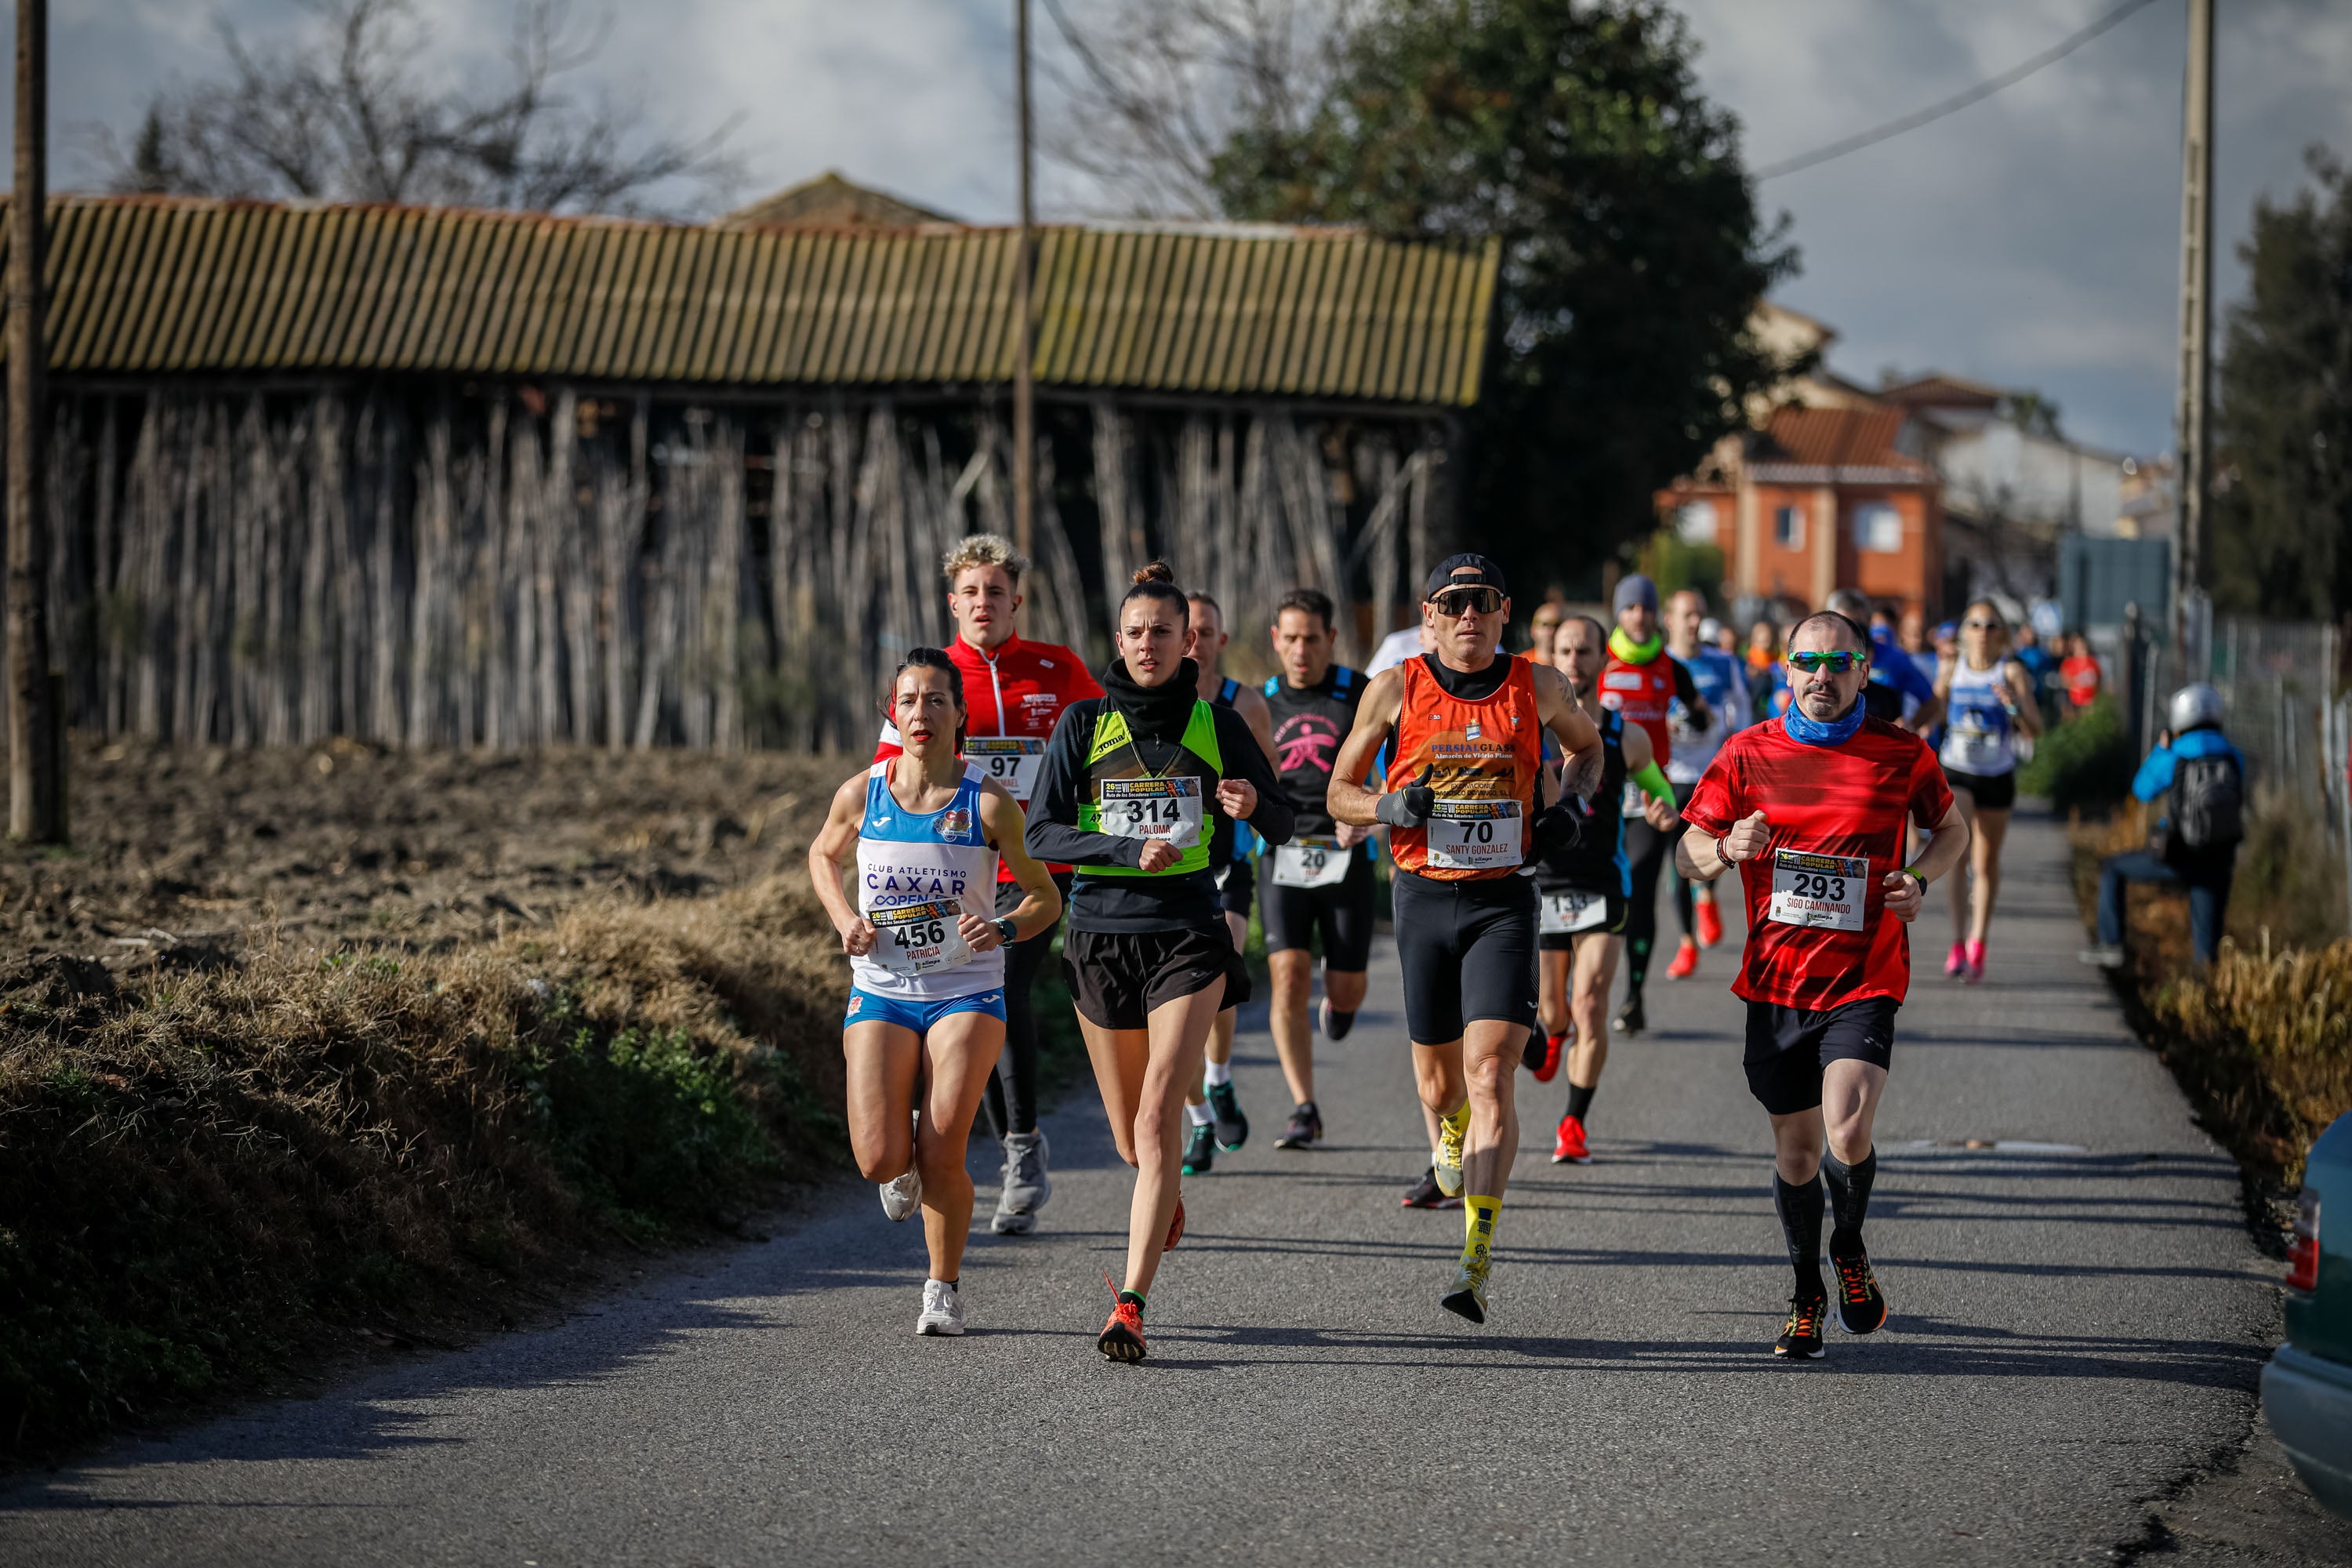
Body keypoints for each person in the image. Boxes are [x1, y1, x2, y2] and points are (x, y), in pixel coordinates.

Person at [1677, 609, 1969, 1359]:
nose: (1822, 676)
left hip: (1865, 975)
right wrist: (1722, 846)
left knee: (1847, 1124)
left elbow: (1952, 829)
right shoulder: (1747, 754)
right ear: (1785, 670)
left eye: (1839, 663)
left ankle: (1849, 1244)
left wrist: (1918, 879)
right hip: (1776, 984)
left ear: (1865, 671)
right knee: (1799, 1155)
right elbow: (1687, 853)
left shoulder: (1901, 753)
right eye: (1807, 662)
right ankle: (1808, 1290)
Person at [1025, 562, 1296, 1362]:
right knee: (1131, 1140)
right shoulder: (1082, 722)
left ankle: (1131, 1304)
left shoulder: (1217, 722)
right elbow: (1041, 832)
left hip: (1187, 930)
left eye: (1165, 632)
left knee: (1155, 1119)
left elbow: (1284, 817)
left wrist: (1253, 806)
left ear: (1191, 645)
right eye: (1137, 630)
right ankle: (1162, 1189)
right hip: (1099, 935)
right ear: (1120, 639)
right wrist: (1120, 846)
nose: (1149, 643)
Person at [1328, 554, 1603, 1323]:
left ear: (1504, 609)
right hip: (1421, 898)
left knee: (1489, 1075)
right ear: (1430, 616)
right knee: (1439, 1088)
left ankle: (1475, 1255)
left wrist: (1569, 810)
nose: (1468, 615)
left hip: (1503, 901)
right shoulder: (1395, 687)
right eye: (1453, 603)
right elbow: (1338, 793)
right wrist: (1390, 807)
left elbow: (1588, 750)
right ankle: (1447, 1137)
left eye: (1482, 601)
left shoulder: (1540, 684)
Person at [811, 650, 1065, 1335]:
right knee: (879, 1159)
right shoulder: (861, 794)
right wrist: (845, 921)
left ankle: (941, 1289)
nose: (922, 713)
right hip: (883, 989)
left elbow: (1045, 898)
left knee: (941, 1151)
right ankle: (903, 1164)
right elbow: (821, 855)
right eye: (910, 701)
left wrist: (1002, 929)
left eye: (937, 701)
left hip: (966, 990)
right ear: (891, 713)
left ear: (961, 716)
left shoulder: (987, 802)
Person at [875, 534, 1102, 1237]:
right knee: (964, 998)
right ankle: (986, 1142)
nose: (983, 603)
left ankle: (1019, 1147)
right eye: (970, 593)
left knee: (995, 986)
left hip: (1036, 869)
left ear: (1016, 601)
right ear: (954, 602)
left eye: (995, 592)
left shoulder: (1056, 668)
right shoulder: (936, 677)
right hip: (951, 873)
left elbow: (1110, 743)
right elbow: (889, 772)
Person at [1531, 615, 1679, 1163]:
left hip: (1602, 886)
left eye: (1584, 650)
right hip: (1544, 884)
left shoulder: (1624, 735)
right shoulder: (1531, 727)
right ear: (1550, 656)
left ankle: (1573, 1122)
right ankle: (1552, 1034)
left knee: (1591, 1002)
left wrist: (1664, 809)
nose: (1574, 659)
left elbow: (1660, 790)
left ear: (1603, 660)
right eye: (1564, 650)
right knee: (1554, 1011)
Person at [1258, 587, 1376, 1152]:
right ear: (1276, 642)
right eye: (1291, 639)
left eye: (1312, 638)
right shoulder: (1260, 703)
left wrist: (1369, 812)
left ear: (1331, 638)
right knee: (1287, 979)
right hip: (1282, 853)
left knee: (1347, 990)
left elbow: (1403, 764)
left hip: (1346, 850)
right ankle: (1304, 1106)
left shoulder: (1361, 693)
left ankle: (1342, 1001)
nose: (1301, 650)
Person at [1178, 591, 1279, 1177]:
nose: (1195, 640)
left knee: (1217, 978)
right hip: (1168, 866)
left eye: (1206, 630)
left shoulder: (1245, 705)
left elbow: (1271, 783)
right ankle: (1198, 1120)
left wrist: (1249, 799)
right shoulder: (1140, 706)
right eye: (1185, 629)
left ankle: (1217, 1080)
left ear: (1220, 640)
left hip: (1227, 863)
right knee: (1177, 1002)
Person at [1599, 573, 1709, 1036]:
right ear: (1620, 614)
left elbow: (1699, 713)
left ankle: (1634, 998)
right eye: (1630, 608)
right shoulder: (1599, 663)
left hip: (1650, 796)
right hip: (1601, 794)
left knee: (1640, 890)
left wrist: (1695, 720)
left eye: (1645, 607)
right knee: (1602, 891)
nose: (1638, 616)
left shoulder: (1671, 668)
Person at [2082, 684, 2245, 970]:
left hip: (2178, 858)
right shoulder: (2233, 756)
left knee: (2112, 867)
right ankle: (2205, 996)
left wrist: (2162, 748)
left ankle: (2111, 945)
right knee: (2206, 952)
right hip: (2219, 859)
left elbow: (2142, 790)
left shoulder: (2176, 752)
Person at [1933, 601, 2042, 982]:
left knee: (1985, 862)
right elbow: (1932, 711)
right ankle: (1958, 942)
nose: (1982, 631)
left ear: (2002, 633)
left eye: (1990, 624)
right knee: (1957, 854)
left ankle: (1979, 941)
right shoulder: (1951, 668)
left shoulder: (2011, 671)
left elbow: (2035, 729)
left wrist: (2012, 707)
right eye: (1975, 623)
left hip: (1997, 773)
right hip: (1957, 770)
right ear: (1965, 630)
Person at [1661, 588, 1751, 981]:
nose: (1694, 622)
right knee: (1675, 862)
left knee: (1712, 851)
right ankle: (1685, 943)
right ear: (1669, 620)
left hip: (1712, 777)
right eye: (1686, 615)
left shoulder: (1724, 662)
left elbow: (1743, 714)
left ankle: (1709, 896)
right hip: (1670, 774)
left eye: (1699, 614)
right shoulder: (1658, 665)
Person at [1825, 590, 1942, 735]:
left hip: (1881, 746)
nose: (1852, 632)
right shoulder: (1821, 659)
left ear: (1870, 622)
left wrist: (1905, 728)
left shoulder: (1894, 659)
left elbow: (1931, 703)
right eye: (1843, 625)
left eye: (1858, 625)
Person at [2062, 635, 2104, 713]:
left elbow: (2099, 679)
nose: (2081, 648)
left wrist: (2095, 696)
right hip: (2075, 702)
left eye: (2082, 645)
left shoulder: (2092, 662)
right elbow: (2065, 682)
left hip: (2091, 701)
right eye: (2078, 645)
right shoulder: (2068, 663)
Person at [1523, 596, 1568, 666]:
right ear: (1533, 630)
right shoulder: (1521, 664)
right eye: (1545, 624)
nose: (1552, 630)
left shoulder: (1572, 664)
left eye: (1557, 624)